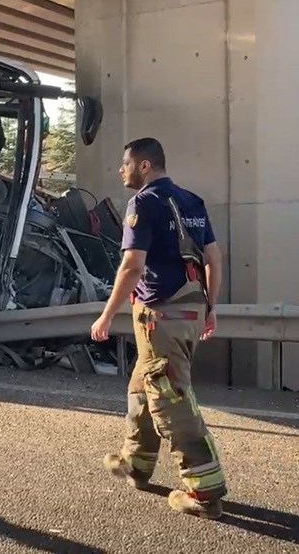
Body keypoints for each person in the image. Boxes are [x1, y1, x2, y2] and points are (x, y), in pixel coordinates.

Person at [90, 138, 227, 519]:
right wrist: (210, 307)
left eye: (126, 163)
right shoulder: (192, 201)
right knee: (143, 385)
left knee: (171, 400)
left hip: (160, 316)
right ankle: (137, 463)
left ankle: (205, 492)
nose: (121, 170)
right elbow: (214, 259)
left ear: (145, 165)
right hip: (190, 310)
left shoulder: (143, 203)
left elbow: (132, 266)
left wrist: (106, 315)